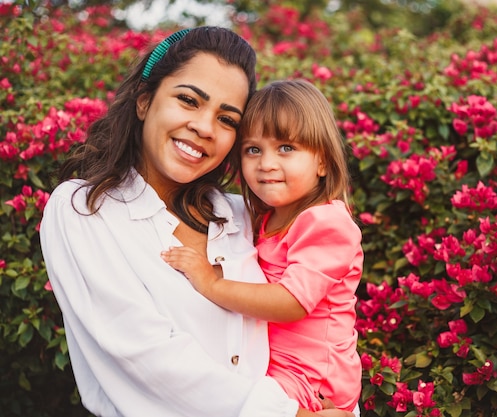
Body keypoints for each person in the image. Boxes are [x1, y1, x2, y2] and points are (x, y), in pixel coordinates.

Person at [40, 27, 355, 417]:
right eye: (189, 100)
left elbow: (321, 320)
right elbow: (148, 356)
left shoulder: (242, 214)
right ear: (144, 101)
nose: (205, 128)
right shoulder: (85, 209)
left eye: (227, 119)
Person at [161, 79, 363, 413]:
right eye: (253, 150)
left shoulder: (326, 222)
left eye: (286, 148)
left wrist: (211, 283)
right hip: (279, 371)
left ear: (323, 162)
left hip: (312, 383)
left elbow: (290, 302)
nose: (266, 163)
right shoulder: (266, 220)